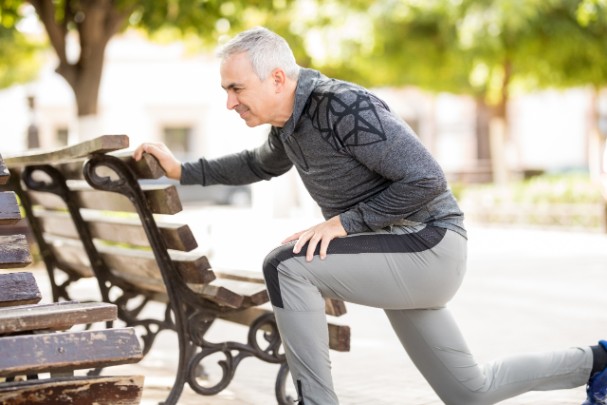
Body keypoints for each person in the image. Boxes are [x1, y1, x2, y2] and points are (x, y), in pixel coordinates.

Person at [133, 26, 607, 405]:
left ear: (277, 78)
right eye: (226, 90)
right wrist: (183, 170)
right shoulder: (289, 125)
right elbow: (256, 165)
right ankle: (599, 362)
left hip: (430, 244)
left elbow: (426, 180)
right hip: (398, 251)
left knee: (287, 265)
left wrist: (343, 223)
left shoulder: (340, 105)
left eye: (237, 88)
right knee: (469, 392)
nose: (230, 101)